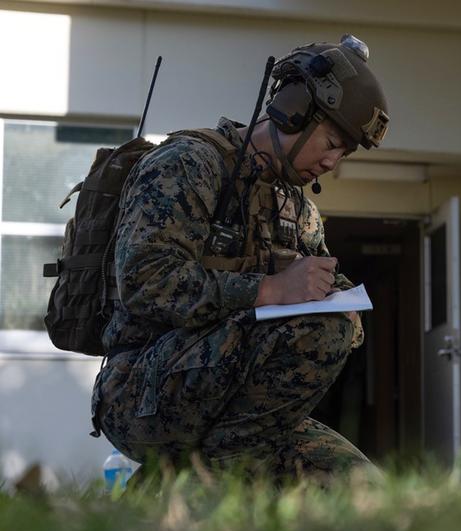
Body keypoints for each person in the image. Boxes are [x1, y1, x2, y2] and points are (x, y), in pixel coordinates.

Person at [92, 35, 390, 479]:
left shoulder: (296, 208)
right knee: (322, 329)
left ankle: (201, 476)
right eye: (330, 143)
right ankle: (219, 484)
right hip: (140, 391)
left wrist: (338, 303)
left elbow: (333, 297)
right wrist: (270, 290)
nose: (332, 163)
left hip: (234, 407)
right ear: (292, 110)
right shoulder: (189, 165)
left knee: (361, 487)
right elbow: (145, 282)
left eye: (342, 154)